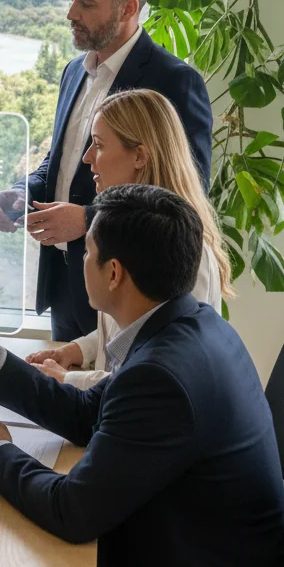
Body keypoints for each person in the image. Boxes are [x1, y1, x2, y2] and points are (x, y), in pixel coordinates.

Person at [0, 185, 284, 567]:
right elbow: (91, 413)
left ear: (113, 273)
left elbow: (74, 512)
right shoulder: (192, 324)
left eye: (85, 252)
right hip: (206, 556)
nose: (80, 262)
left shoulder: (162, 375)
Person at [0, 0, 213, 340]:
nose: (71, 13)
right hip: (64, 282)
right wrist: (22, 191)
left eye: (86, 3)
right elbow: (59, 165)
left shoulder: (175, 81)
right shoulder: (73, 72)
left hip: (129, 285)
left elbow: (182, 202)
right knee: (66, 392)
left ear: (128, 9)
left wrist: (89, 220)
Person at [25, 88, 231, 387]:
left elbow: (157, 380)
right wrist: (78, 350)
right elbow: (134, 332)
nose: (86, 158)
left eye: (98, 145)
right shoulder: (134, 230)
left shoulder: (185, 252)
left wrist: (68, 379)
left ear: (139, 156)